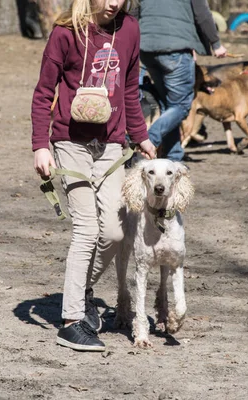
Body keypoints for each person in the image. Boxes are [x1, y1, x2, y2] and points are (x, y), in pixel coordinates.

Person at [31, 0, 156, 352]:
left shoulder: (129, 28)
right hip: (71, 142)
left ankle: (82, 290)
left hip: (112, 144)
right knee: (86, 228)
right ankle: (71, 321)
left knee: (116, 233)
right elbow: (44, 93)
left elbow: (130, 89)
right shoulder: (65, 32)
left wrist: (141, 135)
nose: (114, 2)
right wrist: (41, 145)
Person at [137, 0, 227, 161]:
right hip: (175, 49)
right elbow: (202, 14)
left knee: (169, 106)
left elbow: (134, 11)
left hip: (147, 48)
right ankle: (148, 140)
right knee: (181, 106)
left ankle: (173, 157)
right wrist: (216, 43)